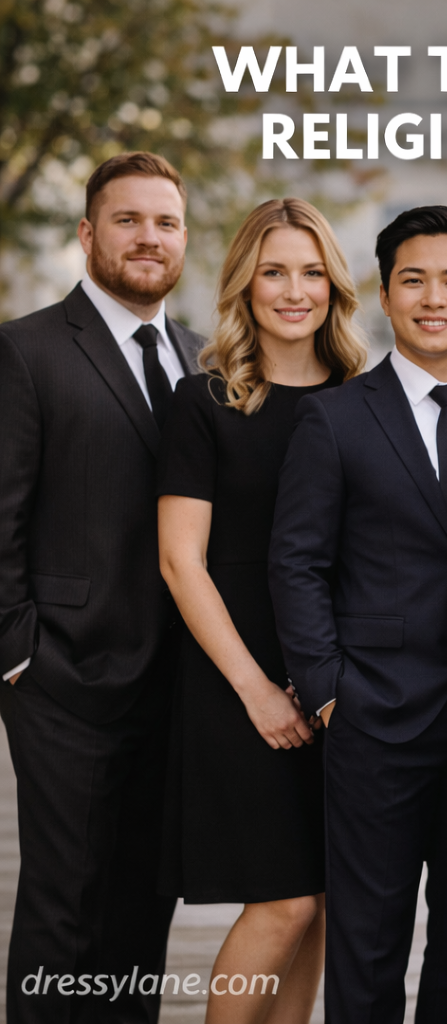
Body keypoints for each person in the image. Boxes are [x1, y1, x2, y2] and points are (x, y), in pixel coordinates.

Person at [268, 206, 447, 1024]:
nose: (433, 297)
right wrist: (327, 688)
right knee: (367, 943)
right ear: (386, 294)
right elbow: (297, 560)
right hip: (372, 717)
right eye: (413, 280)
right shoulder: (335, 416)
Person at [0, 152, 203, 1024]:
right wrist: (18, 655)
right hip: (65, 681)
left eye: (165, 222)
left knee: (141, 905)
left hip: (176, 684)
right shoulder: (25, 350)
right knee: (66, 903)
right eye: (128, 220)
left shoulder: (202, 357)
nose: (148, 238)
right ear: (89, 234)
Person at [156, 198, 366, 1023]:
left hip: (342, 679)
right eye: (274, 271)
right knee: (285, 902)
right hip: (237, 678)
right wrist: (255, 688)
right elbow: (181, 560)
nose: (293, 290)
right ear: (245, 281)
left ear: (334, 286)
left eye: (311, 272)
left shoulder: (362, 395)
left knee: (321, 898)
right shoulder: (204, 399)